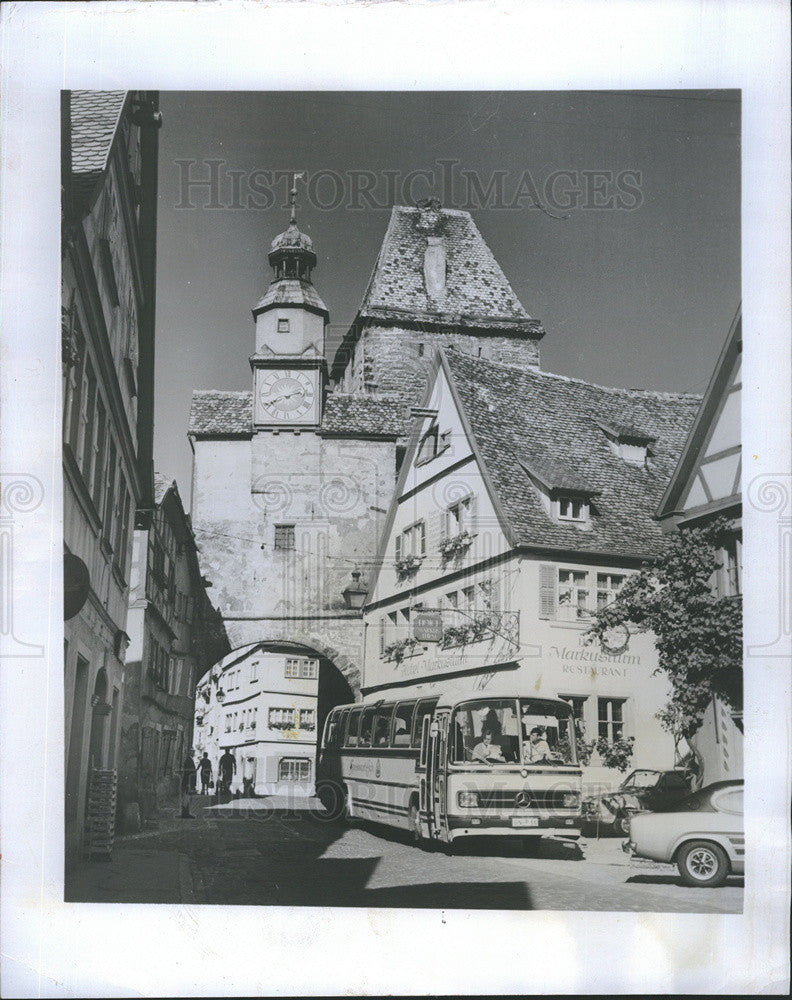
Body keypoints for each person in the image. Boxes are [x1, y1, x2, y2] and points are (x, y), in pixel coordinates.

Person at [180, 748, 197, 818]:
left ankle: (186, 813)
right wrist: (189, 784)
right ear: (190, 753)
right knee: (186, 798)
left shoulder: (189, 760)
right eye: (192, 752)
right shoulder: (189, 760)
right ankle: (185, 814)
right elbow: (188, 773)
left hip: (188, 782)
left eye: (193, 752)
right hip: (188, 782)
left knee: (187, 798)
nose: (193, 753)